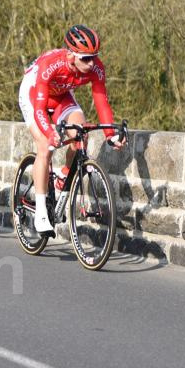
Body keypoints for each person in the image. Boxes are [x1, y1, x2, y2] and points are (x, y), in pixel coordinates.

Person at [18, 24, 125, 236]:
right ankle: (40, 212)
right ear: (71, 56)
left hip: (61, 97)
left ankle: (63, 176)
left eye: (94, 56)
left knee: (80, 135)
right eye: (85, 58)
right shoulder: (52, 64)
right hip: (34, 94)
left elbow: (101, 101)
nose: (91, 62)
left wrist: (110, 135)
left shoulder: (96, 68)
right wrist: (50, 133)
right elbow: (39, 108)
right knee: (45, 148)